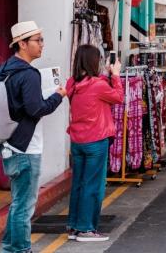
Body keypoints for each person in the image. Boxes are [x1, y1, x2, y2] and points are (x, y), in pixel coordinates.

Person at [0, 21, 65, 253]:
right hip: (26, 147)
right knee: (24, 206)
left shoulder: (6, 71)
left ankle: (10, 247)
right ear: (22, 44)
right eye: (38, 40)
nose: (42, 45)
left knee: (17, 202)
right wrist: (58, 96)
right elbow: (36, 109)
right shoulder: (29, 74)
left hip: (9, 143)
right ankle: (20, 249)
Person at [64, 45, 124, 242]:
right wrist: (115, 75)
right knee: (94, 186)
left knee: (79, 184)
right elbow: (118, 97)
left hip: (77, 140)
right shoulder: (97, 85)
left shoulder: (71, 83)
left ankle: (74, 226)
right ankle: (86, 229)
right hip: (96, 140)